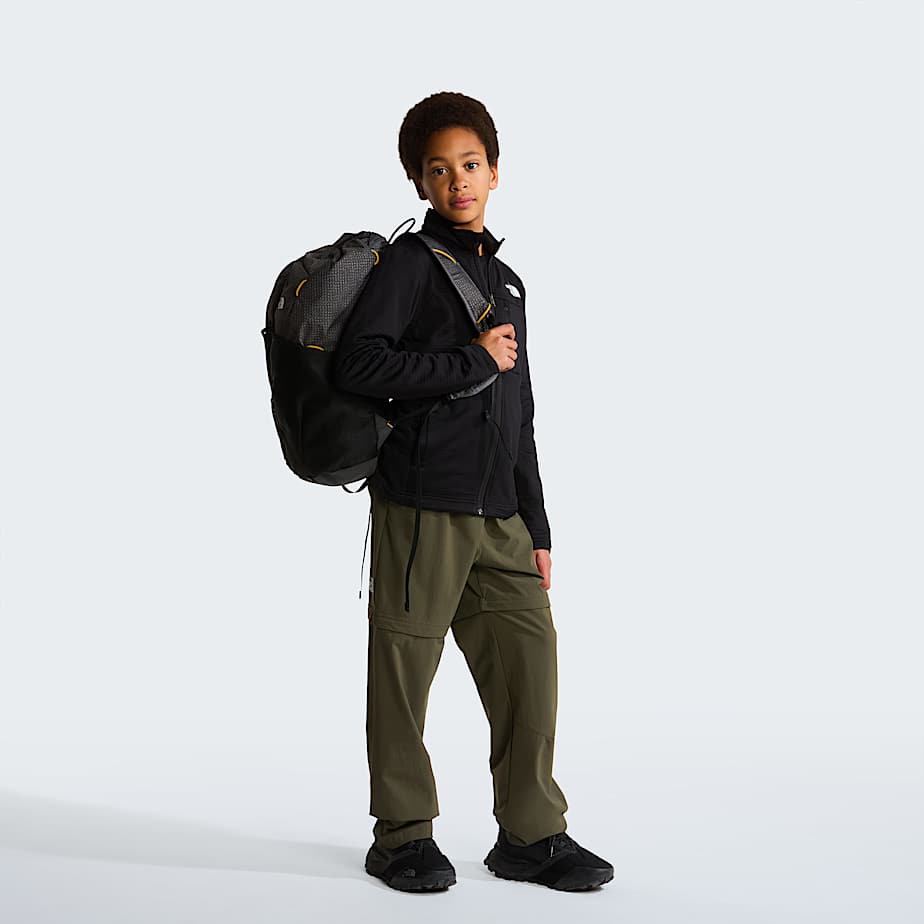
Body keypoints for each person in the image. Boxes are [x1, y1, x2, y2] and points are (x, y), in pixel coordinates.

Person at [334, 91, 613, 893]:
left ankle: (530, 835)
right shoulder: (408, 266)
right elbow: (360, 365)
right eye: (438, 169)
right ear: (418, 182)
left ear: (494, 171)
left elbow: (520, 413)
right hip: (422, 504)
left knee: (531, 669)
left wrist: (538, 526)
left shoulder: (509, 282)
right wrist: (471, 359)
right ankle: (401, 837)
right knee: (404, 671)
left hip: (500, 517)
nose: (456, 180)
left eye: (470, 164)